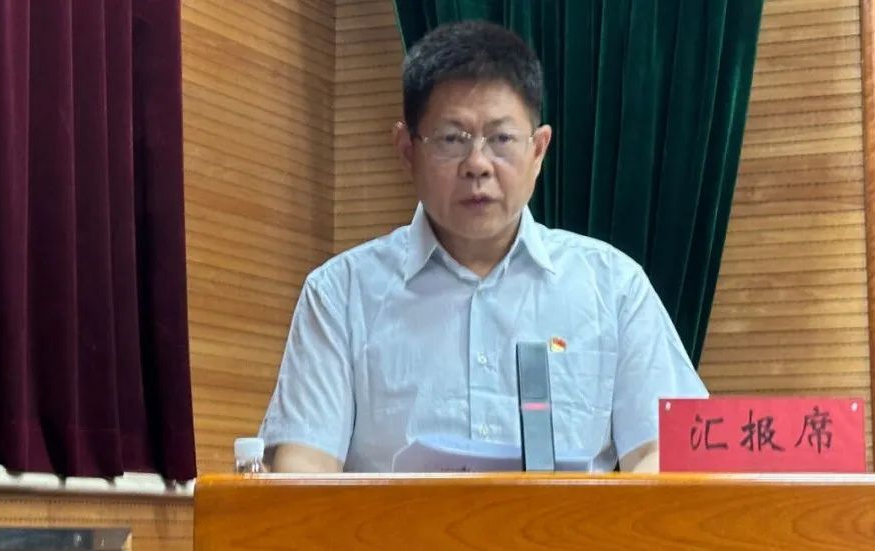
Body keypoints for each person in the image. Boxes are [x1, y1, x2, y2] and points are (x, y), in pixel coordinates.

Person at [258, 20, 708, 474]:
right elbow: (304, 463)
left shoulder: (613, 287)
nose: (477, 164)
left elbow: (670, 451)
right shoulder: (340, 294)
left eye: (501, 139)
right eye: (451, 139)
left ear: (538, 150)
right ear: (407, 150)